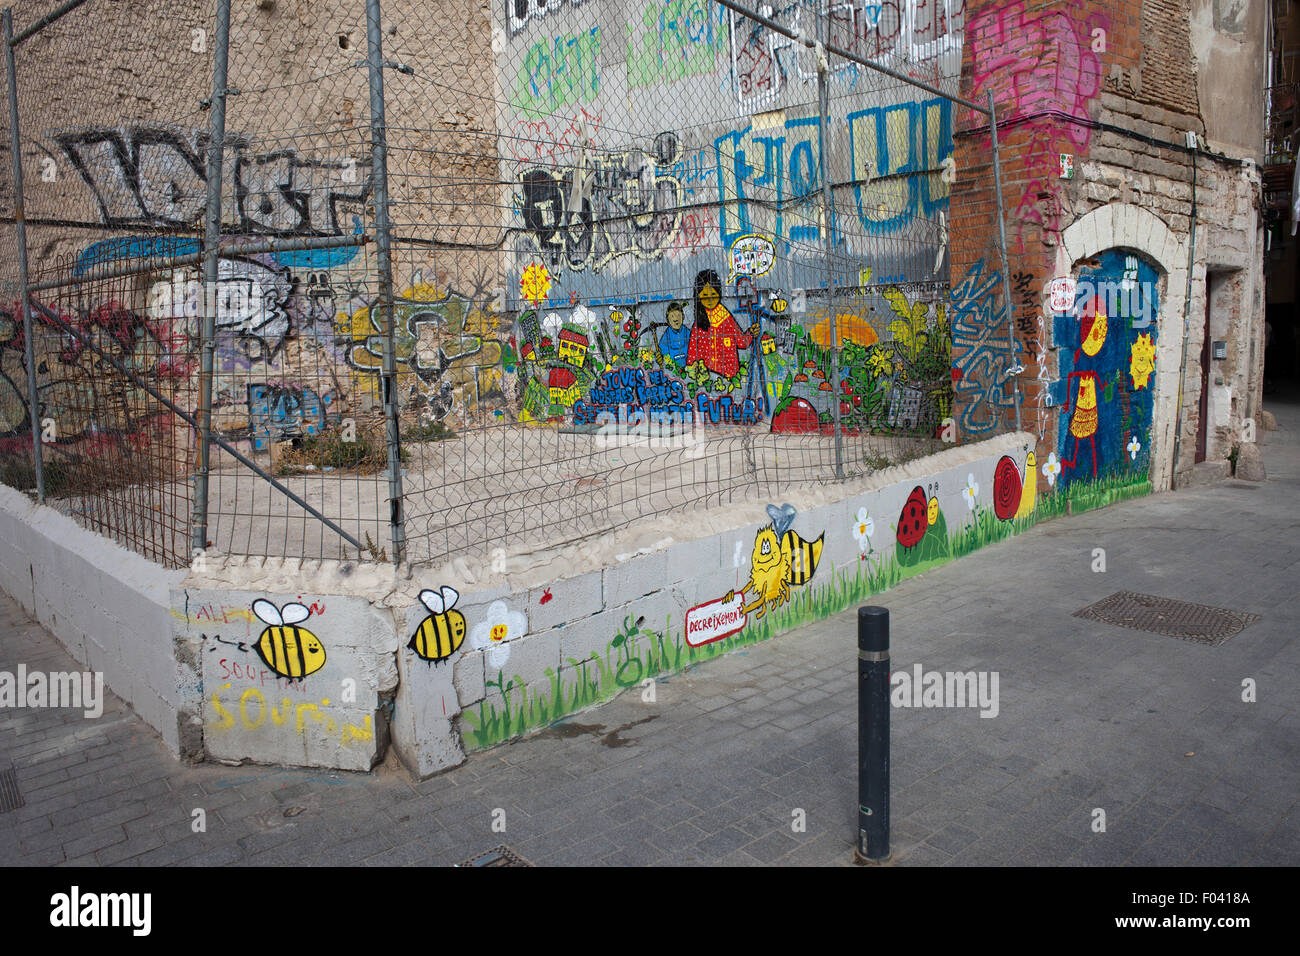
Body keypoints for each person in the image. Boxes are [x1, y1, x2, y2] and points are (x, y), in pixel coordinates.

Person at [686, 269, 756, 379]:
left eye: (713, 294)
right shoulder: (699, 322)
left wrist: (751, 333)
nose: (709, 299)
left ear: (719, 294)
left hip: (729, 376)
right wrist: (692, 369)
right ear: (698, 296)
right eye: (704, 295)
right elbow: (692, 352)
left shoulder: (726, 319)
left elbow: (741, 342)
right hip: (706, 378)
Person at [658, 300, 690, 369]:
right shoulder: (666, 336)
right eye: (672, 316)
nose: (676, 319)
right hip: (673, 371)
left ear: (683, 317)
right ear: (668, 320)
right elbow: (662, 352)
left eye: (678, 315)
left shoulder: (687, 332)